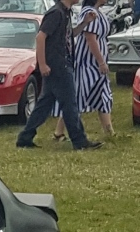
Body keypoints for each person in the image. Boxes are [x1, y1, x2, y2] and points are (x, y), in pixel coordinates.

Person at [17, 0, 102, 149]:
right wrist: (42, 64)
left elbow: (70, 35)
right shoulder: (56, 13)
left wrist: (85, 23)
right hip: (58, 66)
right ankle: (79, 141)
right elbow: (40, 37)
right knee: (70, 105)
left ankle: (25, 137)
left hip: (62, 65)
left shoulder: (66, 13)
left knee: (44, 105)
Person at [55, 0, 114, 137]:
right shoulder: (89, 12)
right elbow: (90, 39)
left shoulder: (98, 12)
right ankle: (59, 132)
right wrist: (101, 62)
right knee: (78, 97)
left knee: (103, 96)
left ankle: (109, 132)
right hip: (87, 64)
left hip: (96, 64)